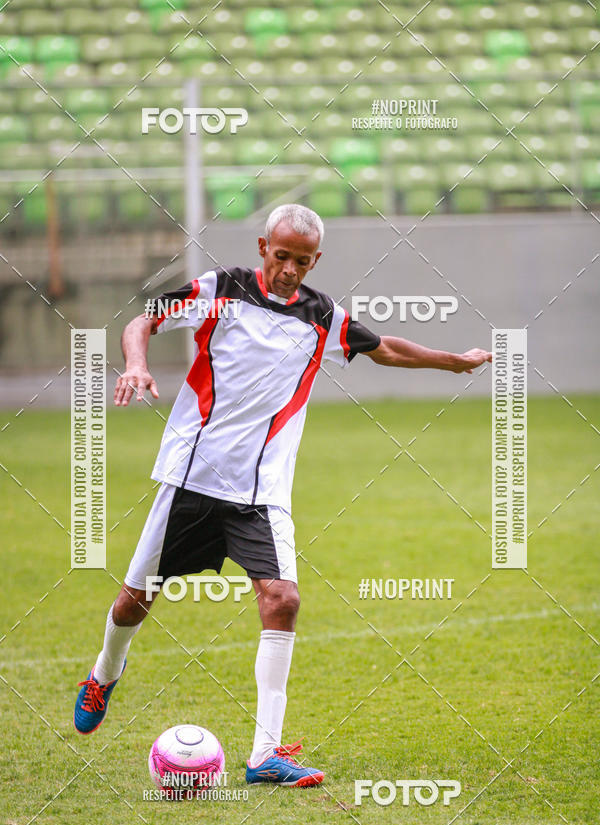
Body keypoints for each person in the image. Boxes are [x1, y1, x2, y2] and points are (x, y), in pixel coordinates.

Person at [74, 203, 491, 787]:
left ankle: (263, 755)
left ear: (314, 260)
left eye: (302, 260)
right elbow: (143, 320)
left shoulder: (324, 316)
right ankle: (103, 673)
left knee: (283, 600)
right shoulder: (221, 289)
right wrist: (137, 364)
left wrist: (452, 363)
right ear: (263, 246)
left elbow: (385, 347)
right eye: (282, 255)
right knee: (134, 599)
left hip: (262, 493)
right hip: (191, 476)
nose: (290, 268)